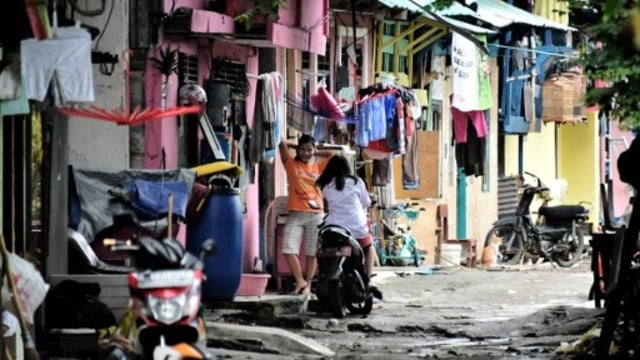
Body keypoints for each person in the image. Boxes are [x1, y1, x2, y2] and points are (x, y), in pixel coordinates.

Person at [316, 155, 382, 299]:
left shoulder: (326, 185)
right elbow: (365, 202)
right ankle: (368, 279)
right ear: (347, 168)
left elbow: (326, 206)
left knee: (321, 249)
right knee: (369, 247)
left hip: (333, 227)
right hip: (356, 227)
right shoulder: (357, 181)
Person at [278, 134, 333, 295]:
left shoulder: (318, 166)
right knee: (288, 248)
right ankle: (300, 280)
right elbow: (282, 145)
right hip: (296, 213)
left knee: (311, 252)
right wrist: (297, 146)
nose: (305, 153)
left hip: (316, 214)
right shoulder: (291, 165)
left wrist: (315, 151)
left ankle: (307, 285)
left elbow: (332, 155)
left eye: (309, 150)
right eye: (302, 150)